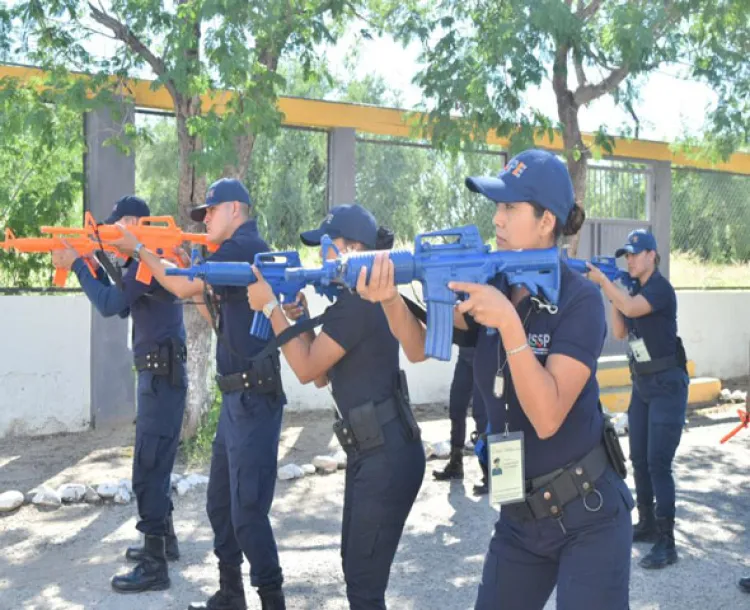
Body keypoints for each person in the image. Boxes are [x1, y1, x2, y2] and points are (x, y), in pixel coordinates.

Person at [358, 149, 635, 610]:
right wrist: (389, 299)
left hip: (588, 514)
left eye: (510, 207)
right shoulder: (495, 281)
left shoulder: (579, 300)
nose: (497, 218)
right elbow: (419, 346)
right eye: (497, 206)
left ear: (547, 220)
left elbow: (547, 416)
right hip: (520, 517)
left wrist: (509, 324)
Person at [110, 179, 287, 610]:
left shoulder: (245, 246)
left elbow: (180, 287)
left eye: (210, 211)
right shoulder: (228, 254)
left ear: (234, 210)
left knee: (247, 513)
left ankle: (272, 600)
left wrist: (140, 251)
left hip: (254, 398)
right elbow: (212, 313)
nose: (205, 219)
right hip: (236, 399)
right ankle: (230, 595)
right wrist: (198, 271)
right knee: (219, 506)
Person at [246, 203, 426, 610]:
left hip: (385, 454)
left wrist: (272, 307)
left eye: (326, 247)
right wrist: (300, 318)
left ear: (352, 249)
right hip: (375, 450)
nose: (320, 258)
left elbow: (308, 370)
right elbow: (325, 373)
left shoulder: (359, 303)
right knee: (356, 572)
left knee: (364, 584)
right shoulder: (355, 300)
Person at [52, 195, 187, 594]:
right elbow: (128, 304)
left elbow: (112, 305)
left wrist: (78, 264)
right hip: (161, 376)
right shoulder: (146, 260)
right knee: (156, 462)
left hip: (162, 378)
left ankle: (154, 564)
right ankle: (163, 542)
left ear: (132, 221)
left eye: (116, 227)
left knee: (148, 466)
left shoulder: (150, 258)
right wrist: (94, 260)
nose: (112, 233)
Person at [586, 228, 689, 570]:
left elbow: (630, 306)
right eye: (626, 255)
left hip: (667, 385)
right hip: (643, 384)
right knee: (639, 459)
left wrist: (605, 284)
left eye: (634, 253)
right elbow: (619, 330)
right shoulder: (632, 290)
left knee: (659, 462)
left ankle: (667, 540)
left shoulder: (659, 288)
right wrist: (613, 293)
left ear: (651, 256)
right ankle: (646, 524)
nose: (629, 259)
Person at [432, 346, 489, 496]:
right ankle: (455, 464)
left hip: (483, 354)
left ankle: (490, 473)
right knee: (456, 407)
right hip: (465, 355)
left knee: (481, 414)